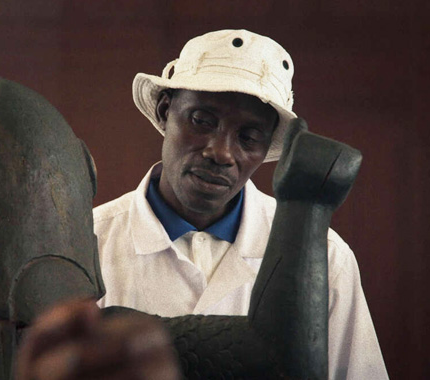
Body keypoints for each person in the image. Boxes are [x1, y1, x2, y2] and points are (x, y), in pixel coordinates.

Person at [93, 29, 388, 379]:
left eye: (248, 137)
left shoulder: (324, 257)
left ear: (267, 149)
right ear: (164, 110)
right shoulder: (90, 241)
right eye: (201, 120)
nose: (220, 152)